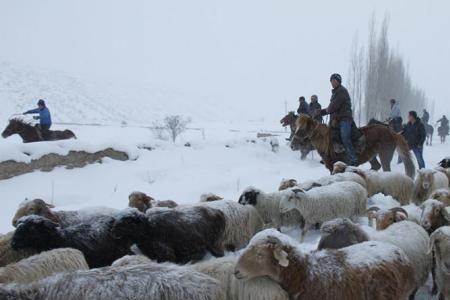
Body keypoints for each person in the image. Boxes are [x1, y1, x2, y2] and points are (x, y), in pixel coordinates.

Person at [320, 73, 358, 166]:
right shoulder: (335, 93)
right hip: (336, 119)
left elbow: (334, 106)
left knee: (345, 137)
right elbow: (332, 107)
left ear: (338, 81)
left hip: (345, 118)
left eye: (334, 81)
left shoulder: (341, 91)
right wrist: (321, 112)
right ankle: (330, 156)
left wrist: (323, 111)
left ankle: (353, 158)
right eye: (331, 81)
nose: (332, 83)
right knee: (328, 136)